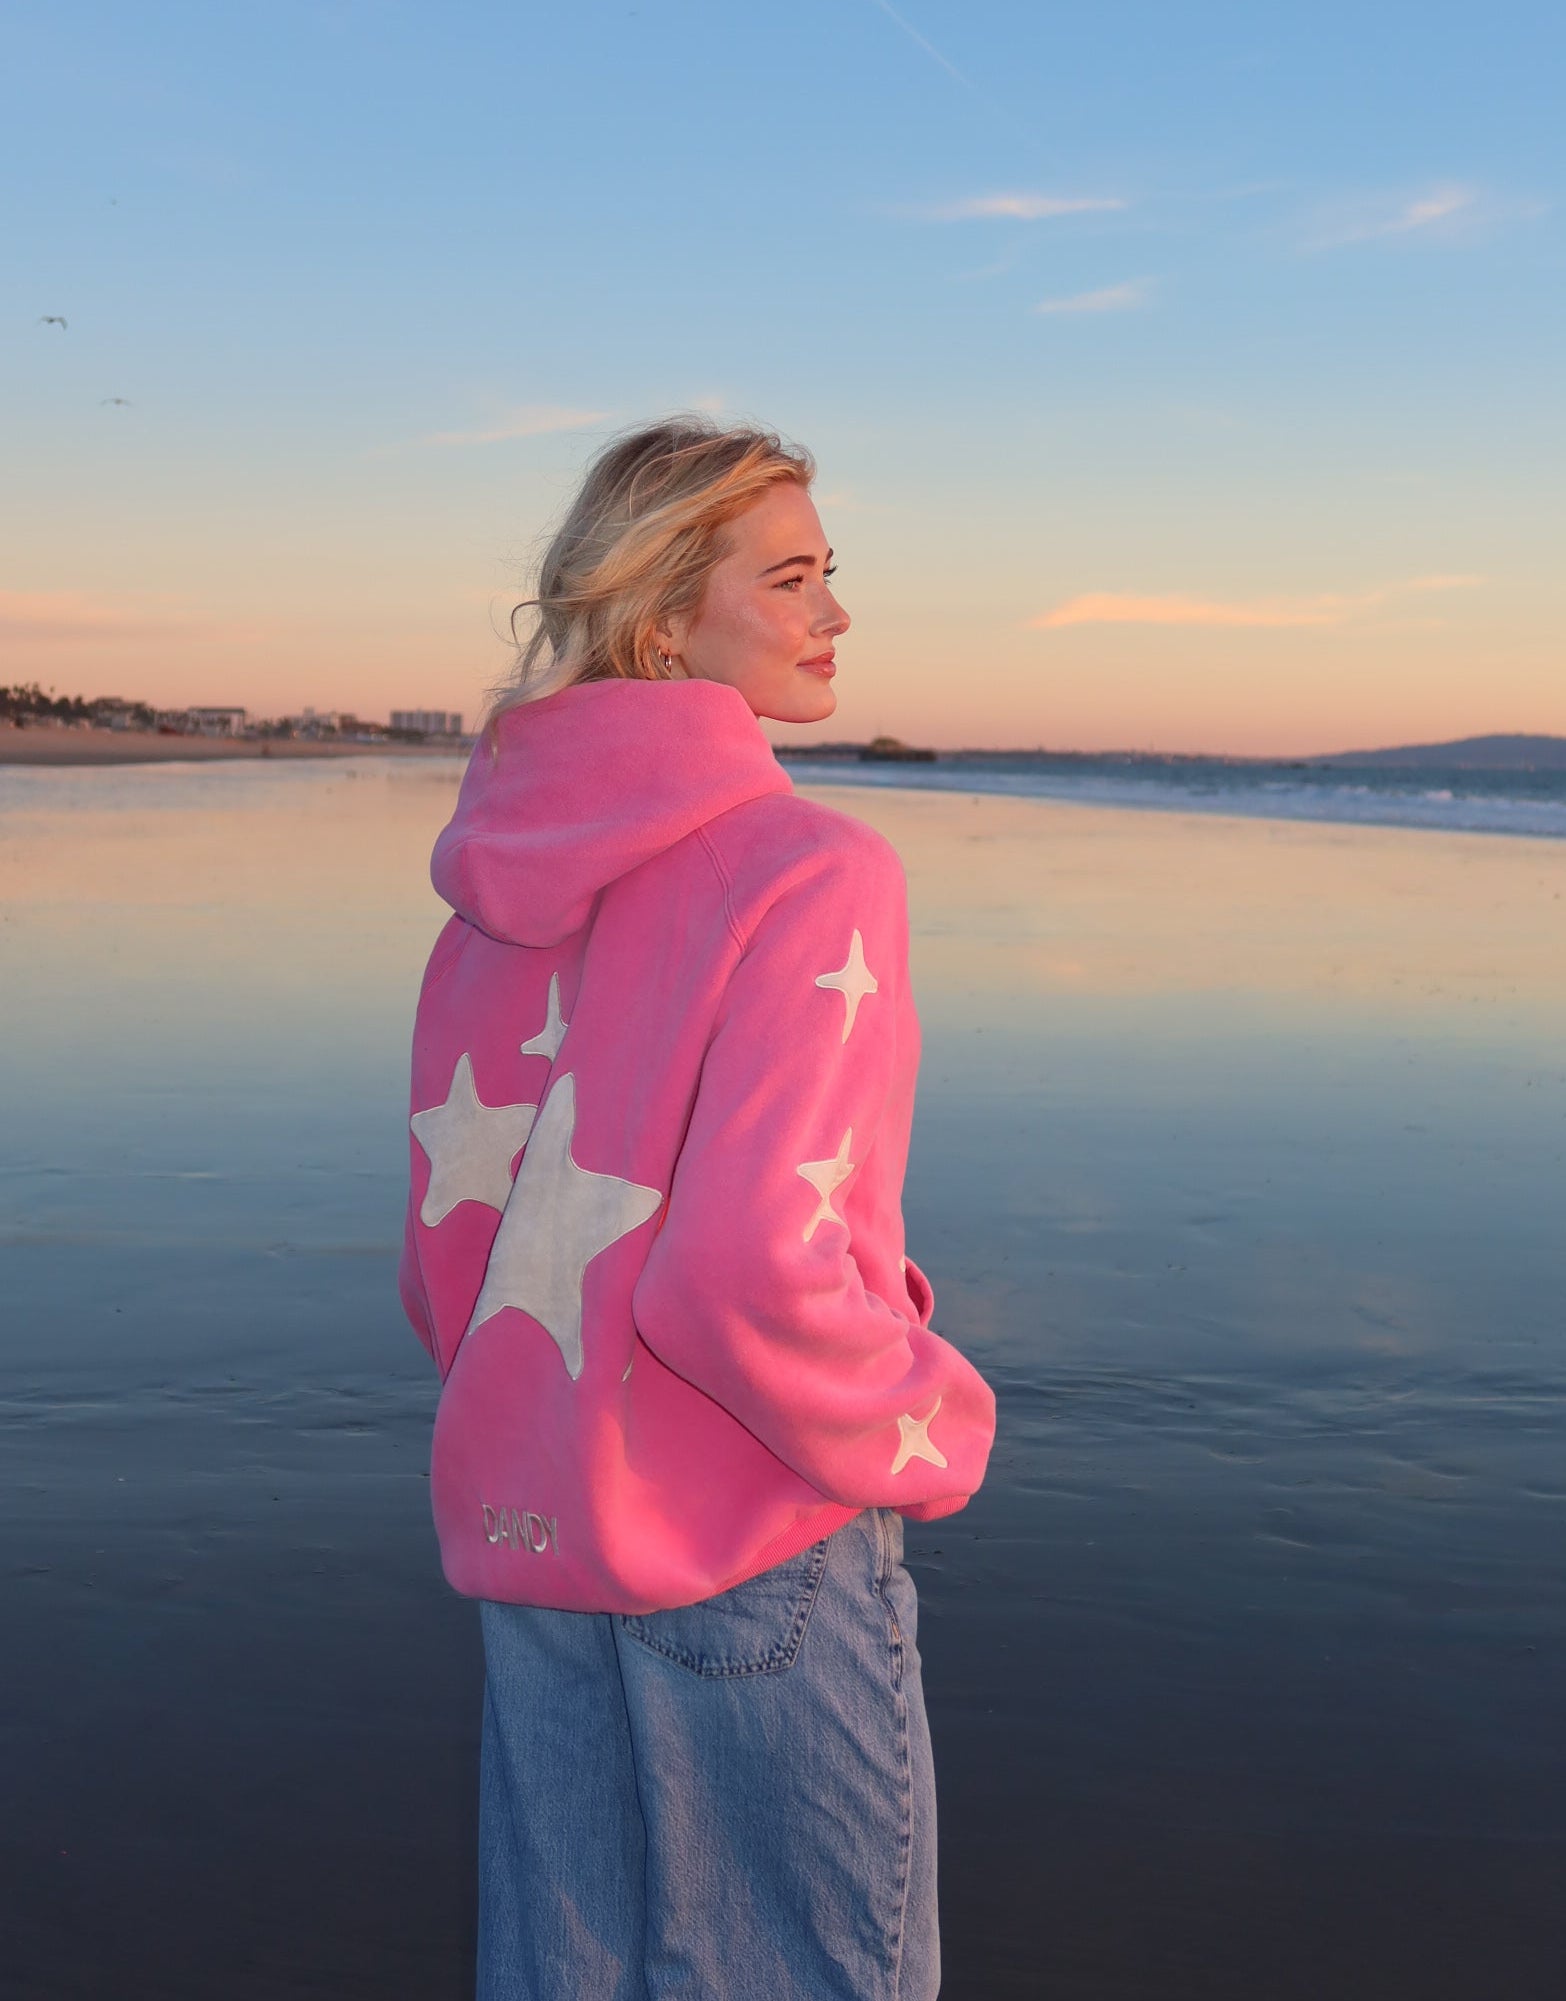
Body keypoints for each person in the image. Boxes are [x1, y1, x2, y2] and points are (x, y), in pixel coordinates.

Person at [399, 414, 997, 2000]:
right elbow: (742, 1272)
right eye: (791, 578)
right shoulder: (815, 871)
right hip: (752, 1538)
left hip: (532, 1525)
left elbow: (445, 1264)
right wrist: (932, 1419)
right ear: (667, 620)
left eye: (827, 575)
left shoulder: (486, 905)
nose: (833, 615)